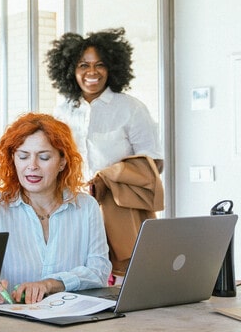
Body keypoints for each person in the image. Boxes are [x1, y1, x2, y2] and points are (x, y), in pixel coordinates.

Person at [45, 28, 164, 279]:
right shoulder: (61, 112)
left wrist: (108, 177)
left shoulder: (130, 108)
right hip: (75, 206)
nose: (92, 72)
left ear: (111, 67)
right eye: (83, 65)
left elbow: (154, 163)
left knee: (129, 277)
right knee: (82, 274)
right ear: (70, 70)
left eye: (100, 64)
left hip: (122, 209)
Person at [0, 112, 111, 304]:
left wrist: (49, 284)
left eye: (44, 157)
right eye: (23, 156)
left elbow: (99, 271)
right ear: (13, 159)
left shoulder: (86, 207)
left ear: (62, 162)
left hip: (73, 322)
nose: (32, 166)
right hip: (12, 322)